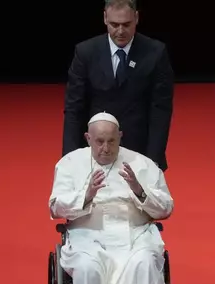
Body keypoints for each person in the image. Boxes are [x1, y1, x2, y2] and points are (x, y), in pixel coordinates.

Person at [49, 112, 174, 284]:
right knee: (87, 269)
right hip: (89, 235)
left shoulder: (142, 164)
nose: (105, 149)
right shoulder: (69, 164)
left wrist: (140, 191)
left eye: (111, 141)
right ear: (88, 138)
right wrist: (85, 196)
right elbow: (54, 208)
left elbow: (166, 209)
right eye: (99, 142)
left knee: (144, 264)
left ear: (120, 137)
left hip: (134, 232)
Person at [62, 0, 174, 172]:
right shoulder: (85, 52)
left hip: (139, 152)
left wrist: (154, 160)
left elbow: (161, 110)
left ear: (136, 18)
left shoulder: (155, 53)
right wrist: (69, 157)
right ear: (105, 18)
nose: (120, 31)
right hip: (95, 151)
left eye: (126, 24)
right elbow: (74, 108)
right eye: (114, 24)